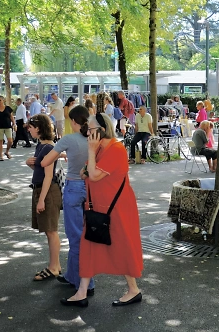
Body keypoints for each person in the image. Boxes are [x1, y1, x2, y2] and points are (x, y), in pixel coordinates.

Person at [60, 113, 143, 308]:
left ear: (102, 130)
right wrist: (91, 159)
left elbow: (93, 175)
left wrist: (90, 153)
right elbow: (83, 173)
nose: (87, 133)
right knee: (89, 247)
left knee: (121, 248)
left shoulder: (116, 149)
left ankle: (133, 289)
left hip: (117, 209)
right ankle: (81, 291)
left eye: (90, 129)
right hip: (97, 207)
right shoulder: (99, 150)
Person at [41, 106, 93, 296]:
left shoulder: (68, 139)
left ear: (73, 121)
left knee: (75, 236)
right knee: (86, 234)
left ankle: (84, 283)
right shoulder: (93, 138)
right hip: (90, 188)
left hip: (73, 187)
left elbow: (45, 162)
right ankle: (73, 275)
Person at [25, 114, 62, 281]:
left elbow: (48, 176)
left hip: (47, 192)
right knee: (49, 231)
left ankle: (54, 267)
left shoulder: (47, 148)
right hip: (42, 190)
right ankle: (55, 266)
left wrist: (41, 199)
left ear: (39, 128)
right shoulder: (41, 146)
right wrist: (31, 165)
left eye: (31, 127)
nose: (29, 130)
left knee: (51, 231)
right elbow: (41, 172)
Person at [0, 95, 15, 160]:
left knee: (10, 140)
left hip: (8, 126)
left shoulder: (8, 108)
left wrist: (14, 124)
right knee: (0, 141)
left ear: (3, 100)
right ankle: (1, 156)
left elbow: (11, 117)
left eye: (0, 100)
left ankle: (7, 151)